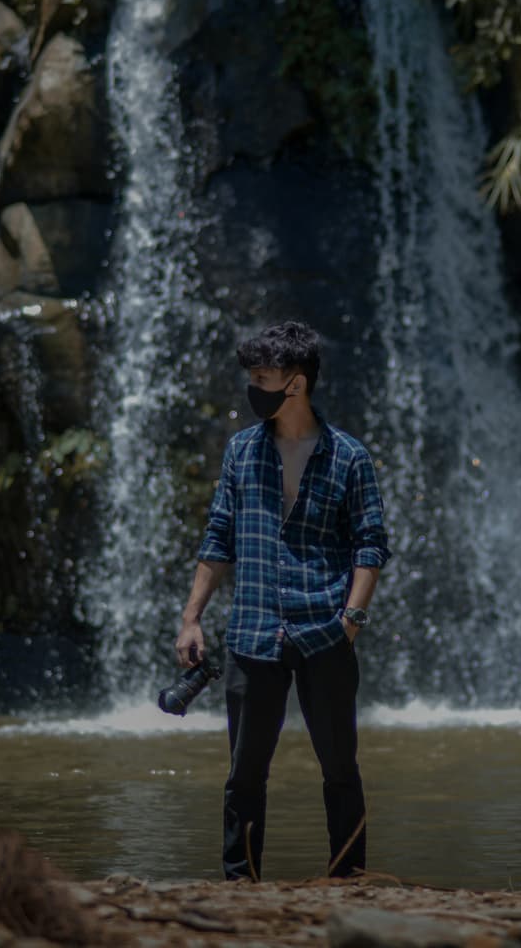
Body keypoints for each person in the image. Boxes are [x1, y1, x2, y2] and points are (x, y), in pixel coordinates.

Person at [174, 320, 390, 881]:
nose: (253, 386)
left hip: (325, 629)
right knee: (244, 773)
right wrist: (191, 617)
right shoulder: (242, 451)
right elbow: (218, 537)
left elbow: (371, 544)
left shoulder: (349, 457)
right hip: (252, 630)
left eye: (262, 376)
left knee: (340, 768)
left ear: (295, 384)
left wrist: (351, 620)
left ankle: (350, 878)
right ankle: (240, 883)